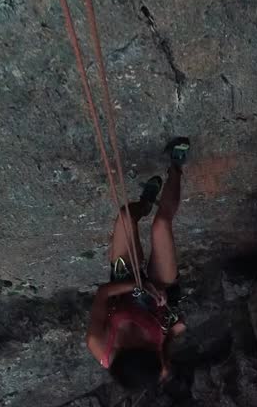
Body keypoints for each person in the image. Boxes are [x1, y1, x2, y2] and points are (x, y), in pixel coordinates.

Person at [86, 138, 189, 390]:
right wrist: (172, 319)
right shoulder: (158, 365)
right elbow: (175, 331)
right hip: (156, 299)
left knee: (125, 216)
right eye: (145, 345)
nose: (138, 340)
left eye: (131, 345)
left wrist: (137, 283)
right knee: (161, 225)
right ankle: (176, 167)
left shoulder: (98, 342)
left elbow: (103, 293)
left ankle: (144, 204)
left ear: (118, 353)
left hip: (122, 286)